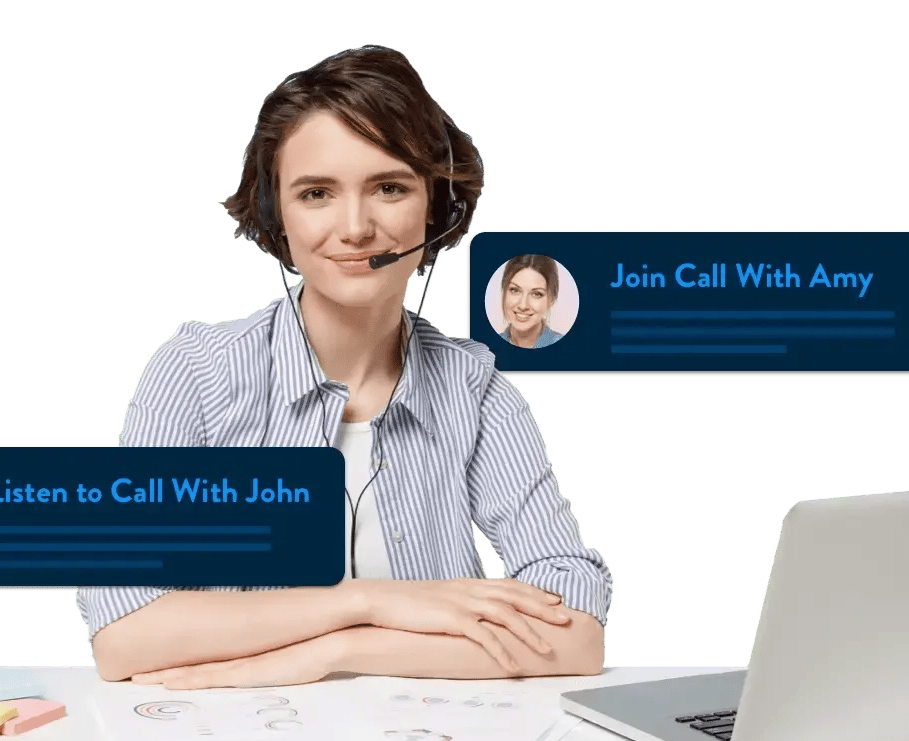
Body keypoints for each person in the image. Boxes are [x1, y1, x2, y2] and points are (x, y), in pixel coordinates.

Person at [77, 45, 611, 689]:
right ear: (277, 217)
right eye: (316, 193)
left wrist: (335, 653)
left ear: (434, 210)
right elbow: (124, 632)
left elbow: (576, 636)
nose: (355, 228)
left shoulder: (477, 389)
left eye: (389, 187)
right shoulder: (196, 372)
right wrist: (367, 603)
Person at [498, 254, 564, 349]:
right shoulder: (484, 347)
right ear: (504, 291)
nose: (523, 305)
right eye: (515, 290)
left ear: (552, 299)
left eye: (536, 294)